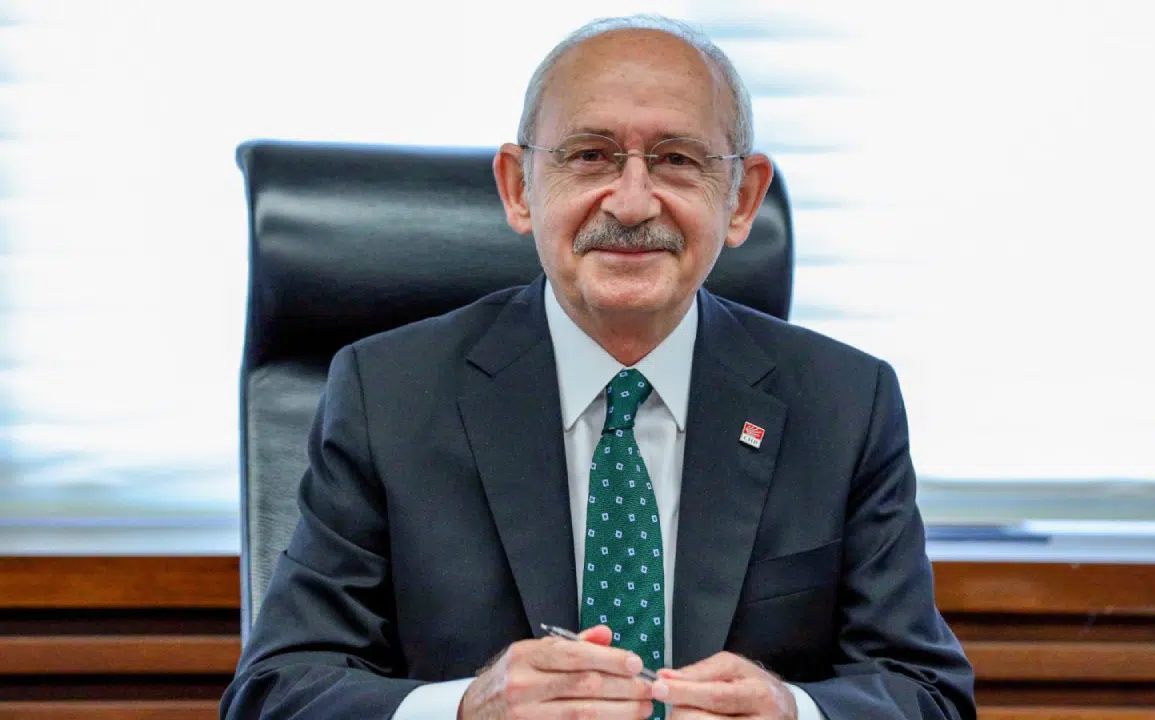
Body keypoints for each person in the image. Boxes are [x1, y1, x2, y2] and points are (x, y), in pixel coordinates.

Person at [221, 14, 975, 720]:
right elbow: (276, 689)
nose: (634, 202)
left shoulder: (845, 404)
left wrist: (796, 712)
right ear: (518, 188)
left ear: (742, 200)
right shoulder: (387, 394)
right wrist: (463, 709)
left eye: (677, 160)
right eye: (590, 155)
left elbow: (926, 691)